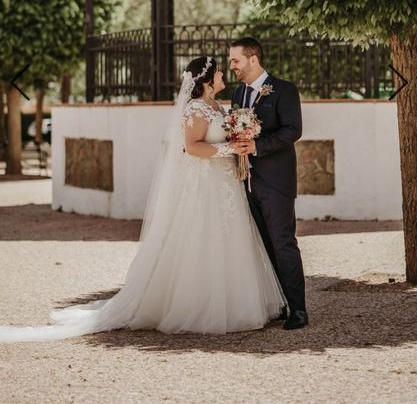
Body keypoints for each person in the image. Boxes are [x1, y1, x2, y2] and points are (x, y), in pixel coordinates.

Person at [0, 56, 287, 343]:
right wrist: (230, 149)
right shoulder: (196, 109)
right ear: (208, 80)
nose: (225, 75)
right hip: (205, 186)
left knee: (232, 239)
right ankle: (201, 306)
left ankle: (238, 301)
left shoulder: (218, 106)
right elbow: (192, 148)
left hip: (226, 185)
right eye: (220, 73)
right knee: (202, 238)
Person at [229, 38, 308, 330]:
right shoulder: (238, 93)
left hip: (276, 182)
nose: (232, 67)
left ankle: (299, 309)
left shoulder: (284, 89)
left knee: (283, 243)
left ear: (253, 59)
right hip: (247, 180)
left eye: (235, 61)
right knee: (264, 246)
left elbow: (293, 130)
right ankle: (281, 303)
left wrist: (257, 146)